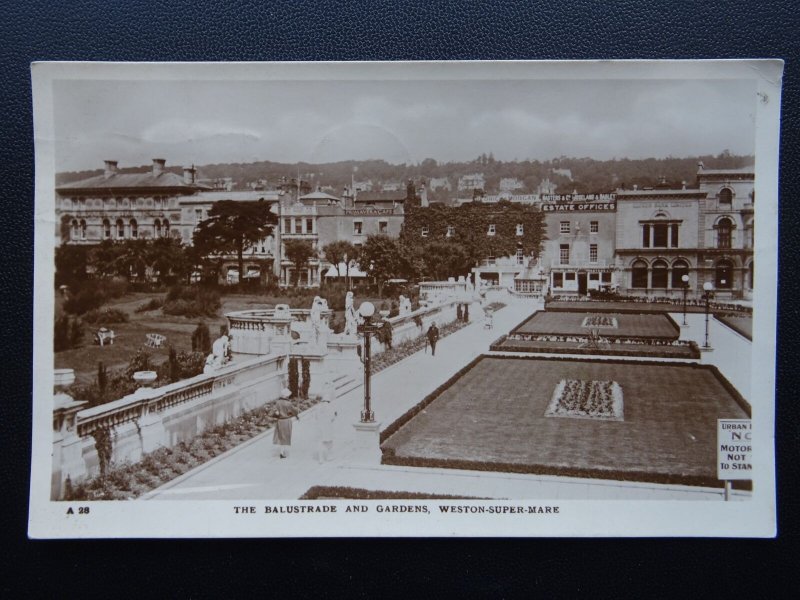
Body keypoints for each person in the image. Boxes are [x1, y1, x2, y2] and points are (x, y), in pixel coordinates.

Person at [316, 374, 337, 464]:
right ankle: (329, 456)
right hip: (328, 426)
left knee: (320, 442)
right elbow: (332, 418)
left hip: (320, 426)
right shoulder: (330, 407)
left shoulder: (318, 407)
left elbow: (316, 417)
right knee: (329, 442)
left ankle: (320, 458)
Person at [272, 388, 299, 458]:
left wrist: (277, 413)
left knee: (281, 437)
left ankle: (281, 451)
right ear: (286, 396)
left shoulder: (278, 402)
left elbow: (274, 410)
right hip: (287, 421)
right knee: (286, 437)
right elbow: (294, 411)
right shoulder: (288, 403)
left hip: (280, 421)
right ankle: (282, 452)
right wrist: (296, 411)